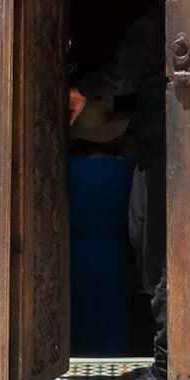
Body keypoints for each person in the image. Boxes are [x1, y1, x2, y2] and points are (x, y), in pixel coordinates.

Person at [69, 0, 168, 380]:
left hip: (165, 159)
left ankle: (169, 370)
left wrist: (83, 89)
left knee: (158, 254)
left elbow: (122, 71)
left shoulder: (162, 18)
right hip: (169, 155)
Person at [67, 101, 134, 357]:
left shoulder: (65, 170)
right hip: (111, 254)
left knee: (77, 317)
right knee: (111, 319)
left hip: (70, 253)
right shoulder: (121, 170)